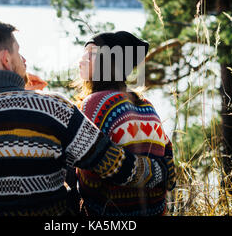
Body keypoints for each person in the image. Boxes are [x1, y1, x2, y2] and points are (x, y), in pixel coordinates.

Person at [0, 20, 174, 216]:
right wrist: (162, 171)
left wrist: (19, 94)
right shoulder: (53, 107)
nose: (25, 61)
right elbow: (115, 166)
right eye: (19, 53)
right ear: (6, 59)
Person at [72, 31, 176, 216]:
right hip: (154, 211)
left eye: (91, 55)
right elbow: (169, 166)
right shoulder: (147, 105)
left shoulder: (96, 104)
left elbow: (77, 158)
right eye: (83, 53)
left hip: (110, 214)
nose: (81, 60)